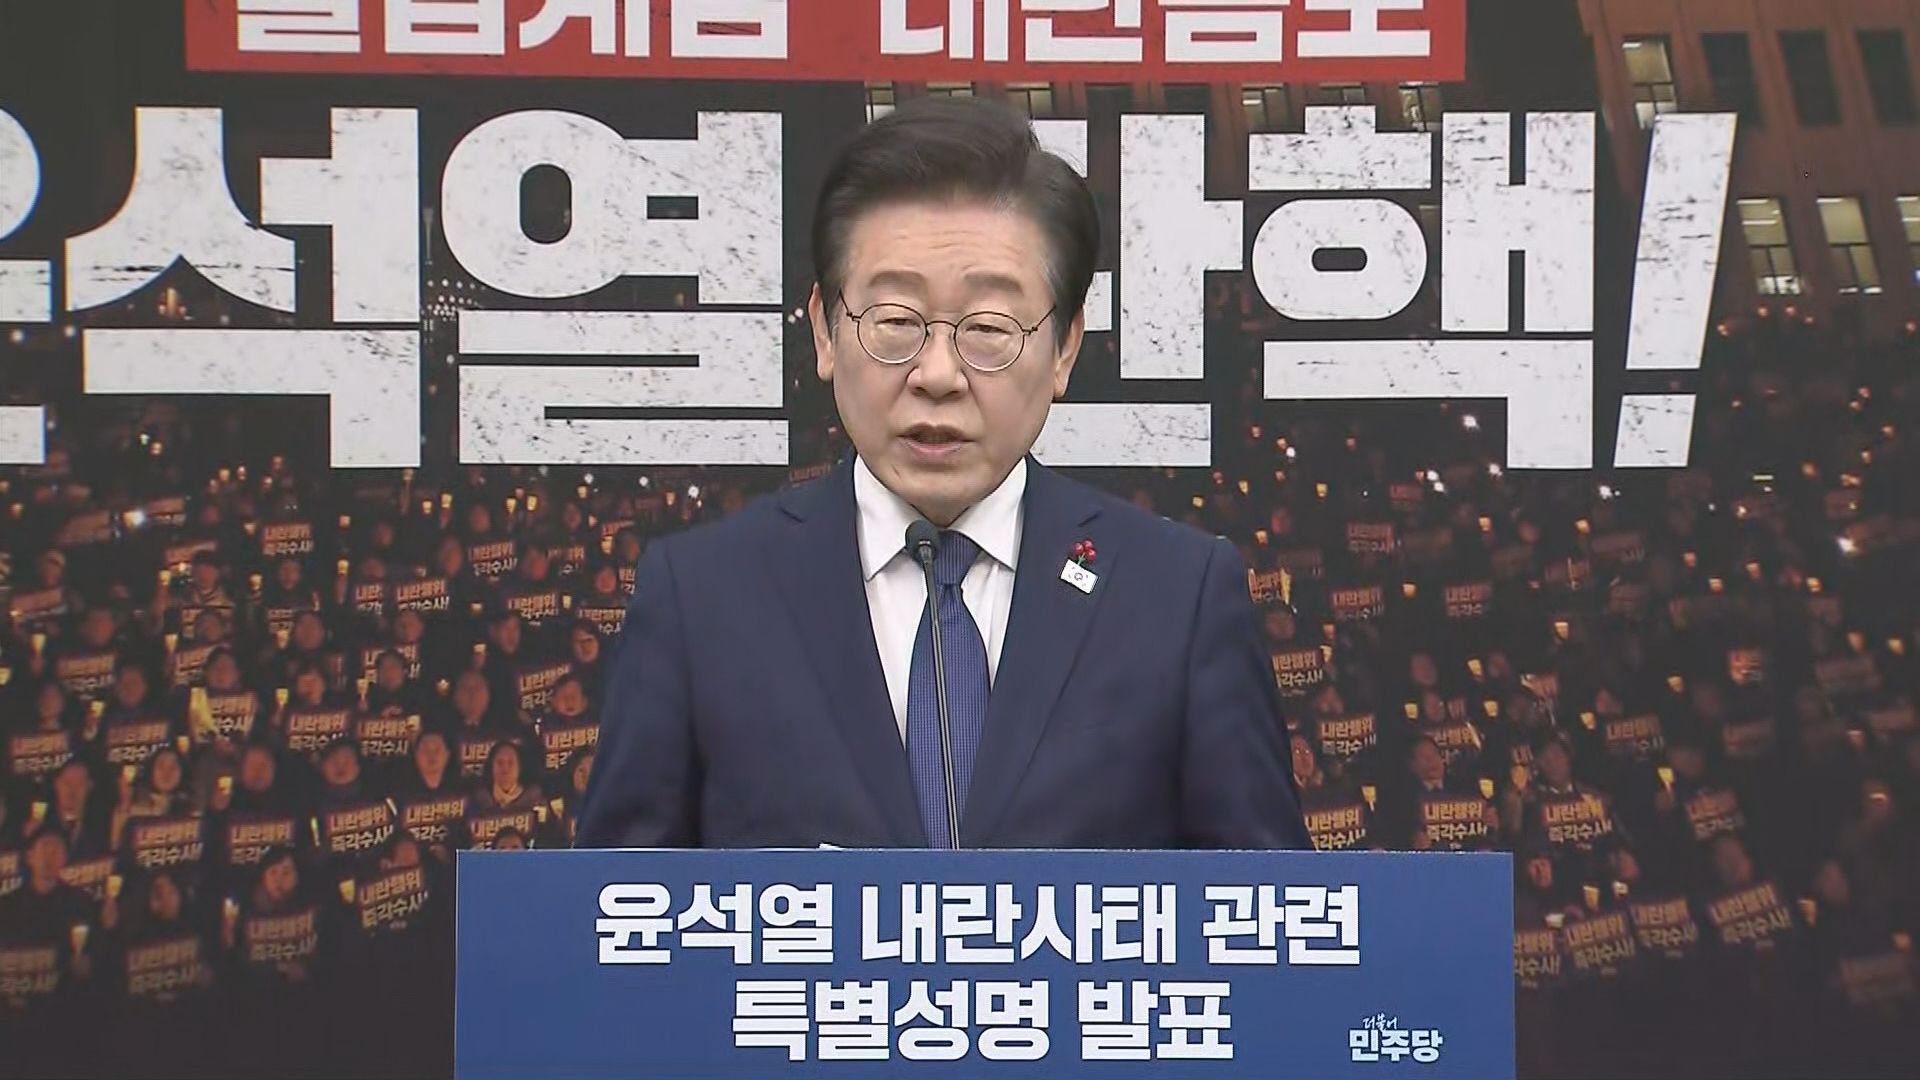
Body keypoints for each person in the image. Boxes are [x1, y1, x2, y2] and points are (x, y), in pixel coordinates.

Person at [579, 96, 1306, 850]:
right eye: (896, 322)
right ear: (825, 330)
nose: (937, 374)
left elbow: (1268, 910)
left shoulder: (1177, 598)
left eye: (988, 329)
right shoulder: (702, 599)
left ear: (1064, 347)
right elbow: (611, 910)